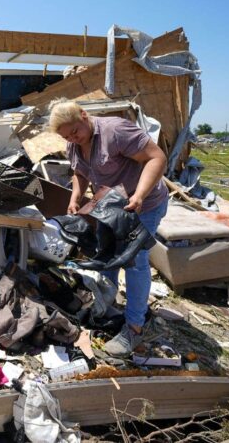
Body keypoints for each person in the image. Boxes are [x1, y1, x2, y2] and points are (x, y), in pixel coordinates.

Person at [49, 98, 169, 357]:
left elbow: (157, 158)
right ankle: (109, 306)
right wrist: (75, 198)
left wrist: (139, 195)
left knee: (135, 260)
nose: (73, 138)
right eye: (67, 137)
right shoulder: (75, 143)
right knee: (108, 257)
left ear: (83, 115)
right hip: (110, 207)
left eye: (75, 131)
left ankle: (135, 327)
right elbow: (80, 172)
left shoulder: (116, 131)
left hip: (144, 204)